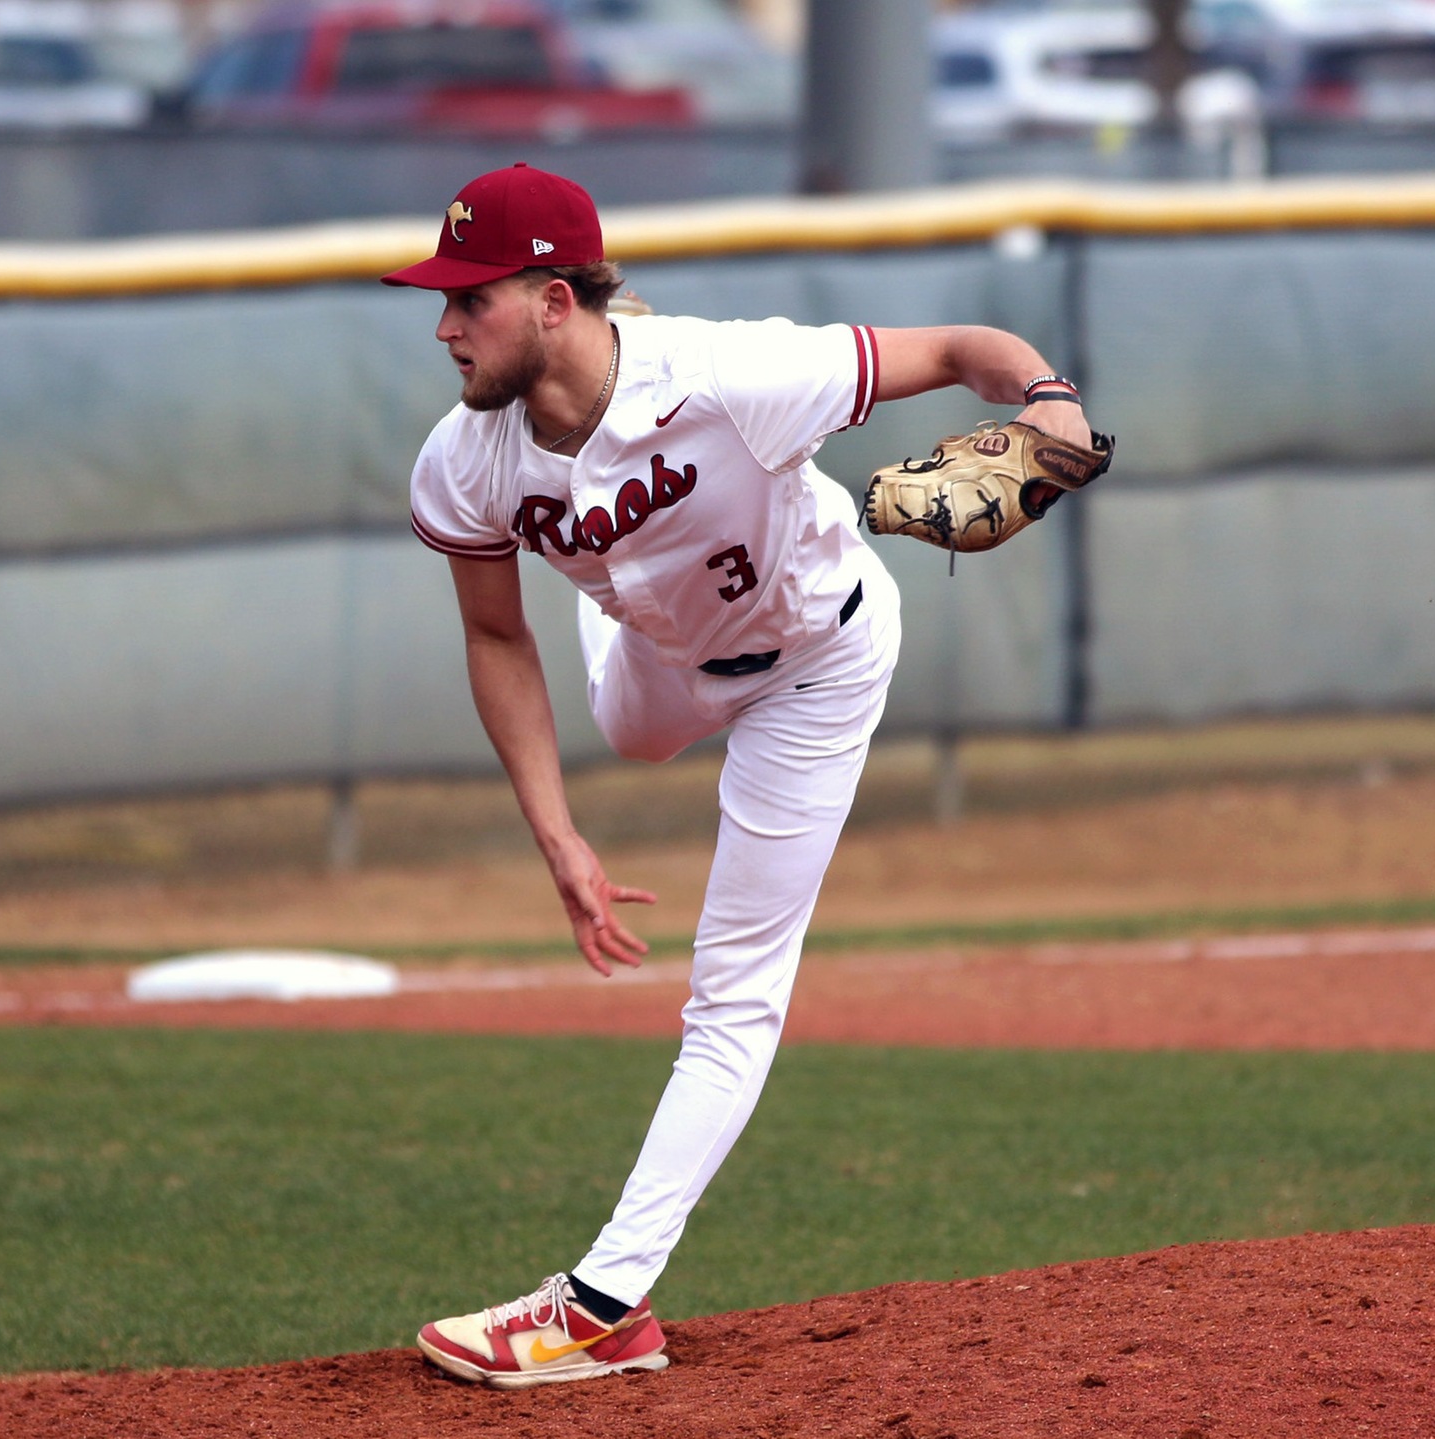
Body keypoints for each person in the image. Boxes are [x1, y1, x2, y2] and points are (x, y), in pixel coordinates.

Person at [386, 164, 1095, 1389]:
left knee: (733, 994)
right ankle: (637, 628)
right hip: (659, 666)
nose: (445, 325)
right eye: (443, 299)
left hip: (814, 664)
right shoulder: (464, 460)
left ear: (554, 299)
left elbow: (970, 345)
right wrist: (559, 838)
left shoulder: (736, 376)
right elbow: (498, 637)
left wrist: (1052, 404)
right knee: (632, 721)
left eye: (471, 298)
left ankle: (607, 1298)